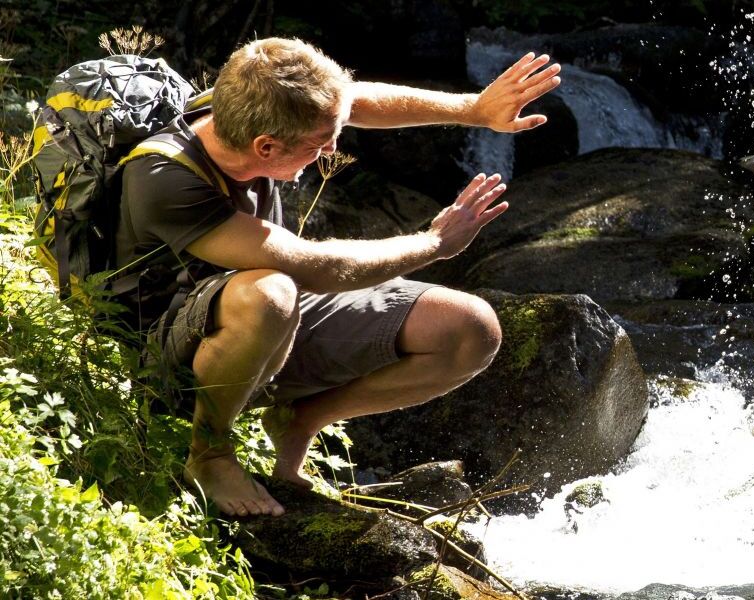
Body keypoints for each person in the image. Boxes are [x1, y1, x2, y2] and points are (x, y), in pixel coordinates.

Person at [112, 37, 562, 517]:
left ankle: (299, 420)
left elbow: (355, 99)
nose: (330, 149)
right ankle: (209, 453)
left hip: (266, 315)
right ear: (266, 146)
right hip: (164, 347)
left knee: (469, 329)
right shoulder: (163, 177)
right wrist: (433, 244)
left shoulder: (251, 111)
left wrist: (475, 109)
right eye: (318, 144)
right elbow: (318, 269)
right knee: (271, 292)